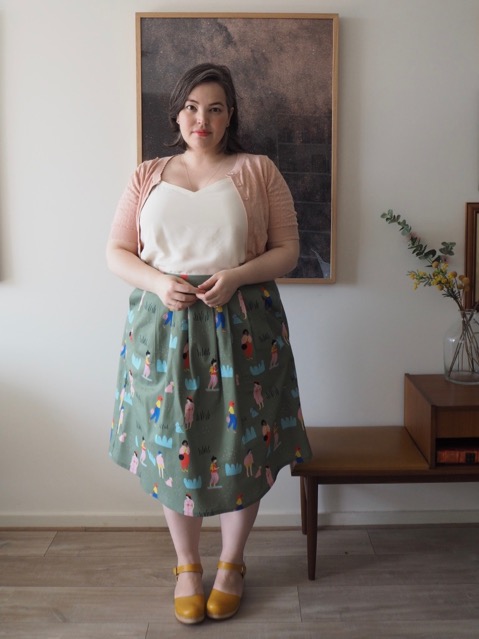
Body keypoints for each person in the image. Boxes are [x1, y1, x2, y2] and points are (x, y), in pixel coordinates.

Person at [106, 63, 312, 625]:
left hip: (241, 324)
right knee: (178, 448)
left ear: (230, 116)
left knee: (239, 441)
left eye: (216, 108)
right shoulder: (148, 172)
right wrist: (158, 281)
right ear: (177, 113)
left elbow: (287, 250)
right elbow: (117, 251)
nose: (203, 118)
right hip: (164, 331)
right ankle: (187, 565)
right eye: (193, 106)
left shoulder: (257, 170)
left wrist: (239, 276)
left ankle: (232, 563)